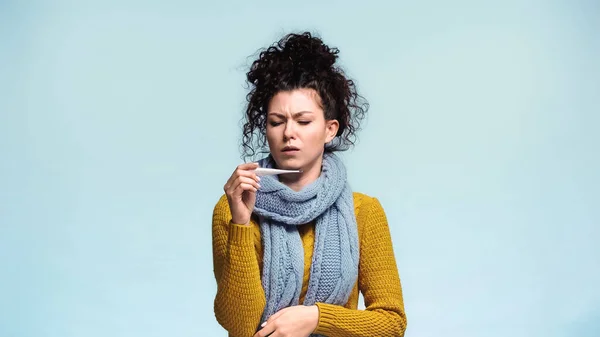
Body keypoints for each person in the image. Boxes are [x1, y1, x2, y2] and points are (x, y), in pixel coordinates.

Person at [212, 31, 407, 337]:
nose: (289, 132)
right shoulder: (235, 205)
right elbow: (238, 324)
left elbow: (391, 323)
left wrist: (317, 318)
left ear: (330, 129)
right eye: (277, 122)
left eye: (303, 121)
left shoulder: (364, 213)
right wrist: (240, 222)